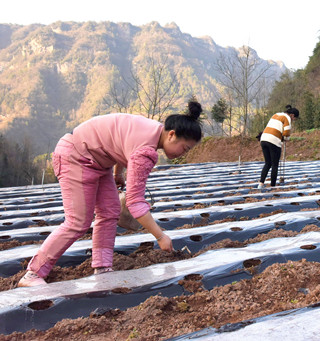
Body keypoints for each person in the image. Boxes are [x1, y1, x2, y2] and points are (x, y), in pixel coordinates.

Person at [18, 101, 203, 287]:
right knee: (77, 222)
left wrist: (117, 173)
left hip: (97, 161)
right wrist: (161, 237)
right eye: (184, 149)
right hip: (76, 157)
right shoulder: (146, 151)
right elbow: (135, 201)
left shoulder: (153, 129)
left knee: (110, 211)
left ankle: (102, 267)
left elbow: (122, 142)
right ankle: (33, 273)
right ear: (171, 135)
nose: (182, 154)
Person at [257, 105, 299, 189]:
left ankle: (261, 184)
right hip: (274, 141)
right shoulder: (287, 118)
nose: (294, 120)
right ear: (292, 115)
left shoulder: (276, 114)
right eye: (295, 119)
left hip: (264, 139)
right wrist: (286, 139)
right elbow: (286, 132)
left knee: (267, 163)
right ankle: (273, 186)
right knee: (275, 164)